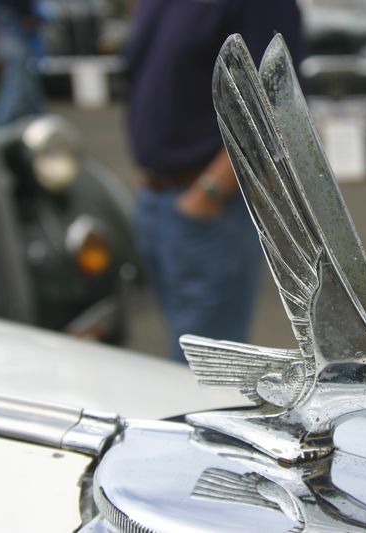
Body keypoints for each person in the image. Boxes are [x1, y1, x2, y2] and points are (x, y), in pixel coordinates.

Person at [126, 0, 304, 361]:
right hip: (156, 198)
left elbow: (273, 101)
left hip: (210, 208)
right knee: (180, 356)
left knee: (203, 372)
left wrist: (208, 192)